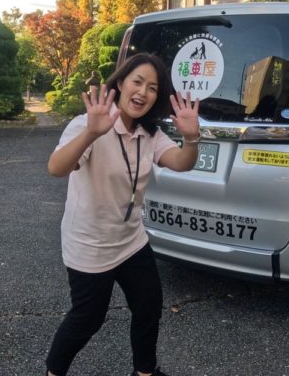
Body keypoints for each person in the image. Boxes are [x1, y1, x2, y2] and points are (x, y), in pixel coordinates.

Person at [45, 53, 201, 376]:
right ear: (120, 82)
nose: (143, 92)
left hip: (131, 239)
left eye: (153, 88)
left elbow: (182, 162)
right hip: (90, 244)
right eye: (137, 82)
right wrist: (91, 133)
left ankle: (144, 372)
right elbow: (56, 168)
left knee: (148, 306)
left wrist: (191, 138)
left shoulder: (150, 133)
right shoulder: (88, 124)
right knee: (87, 319)